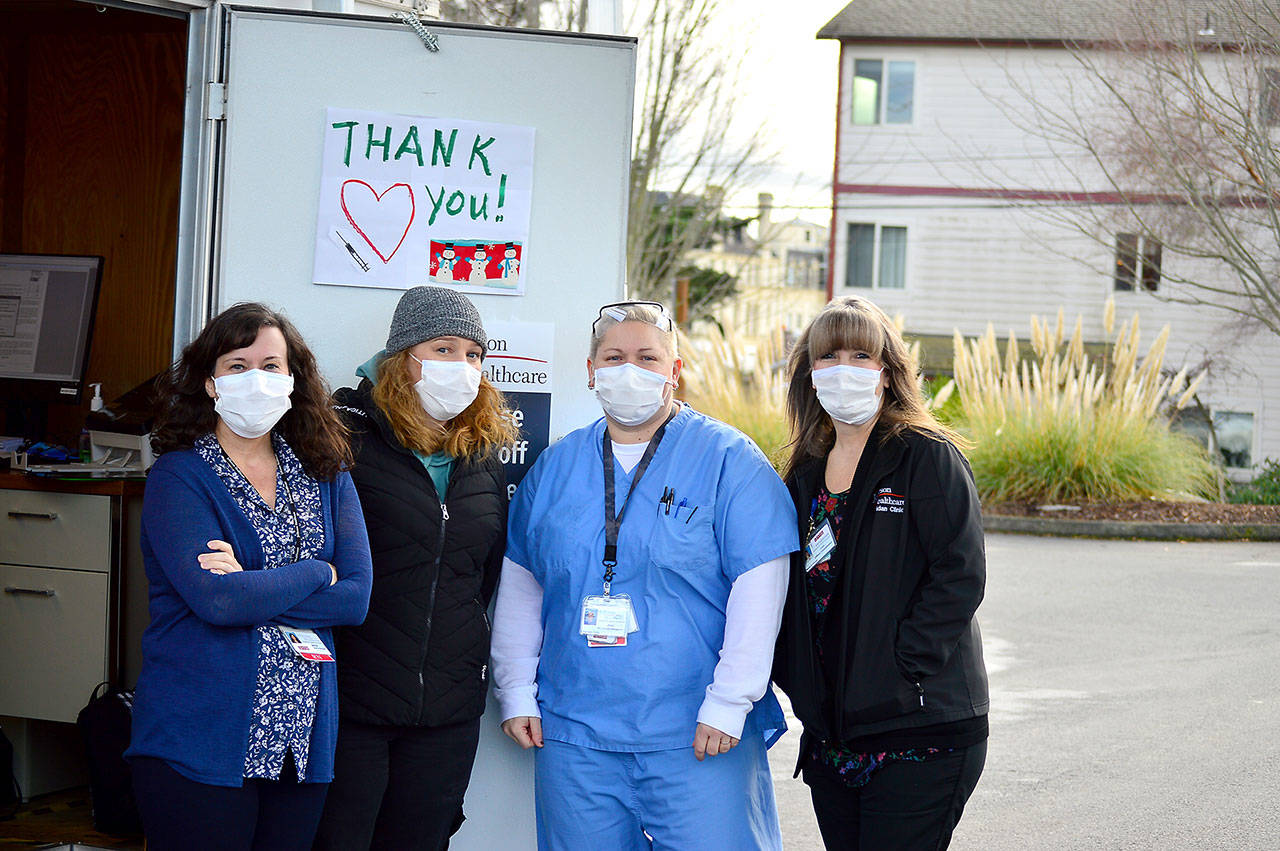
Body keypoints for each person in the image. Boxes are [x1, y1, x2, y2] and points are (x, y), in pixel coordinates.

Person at [491, 301, 799, 851]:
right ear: (590, 371)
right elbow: (522, 584)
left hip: (697, 731)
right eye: (613, 356)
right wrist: (515, 689)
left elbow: (761, 589)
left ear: (674, 370)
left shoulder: (729, 462)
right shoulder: (556, 468)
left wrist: (730, 701)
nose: (628, 369)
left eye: (647, 357)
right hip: (576, 733)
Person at [126, 303, 373, 851]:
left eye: (270, 365)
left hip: (301, 742)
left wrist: (252, 583)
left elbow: (355, 600)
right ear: (211, 384)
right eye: (238, 366)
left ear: (292, 380)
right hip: (198, 742)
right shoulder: (179, 477)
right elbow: (218, 602)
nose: (255, 379)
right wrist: (318, 570)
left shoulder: (326, 473)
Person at [771, 295, 989, 851]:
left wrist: (900, 667)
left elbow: (959, 573)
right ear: (810, 374)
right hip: (834, 736)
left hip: (918, 731)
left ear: (888, 373)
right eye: (829, 357)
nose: (844, 368)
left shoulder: (924, 455)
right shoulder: (803, 471)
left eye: (861, 355)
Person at [314, 286, 516, 850]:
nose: (463, 366)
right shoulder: (343, 437)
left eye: (474, 355)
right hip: (352, 701)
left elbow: (483, 577)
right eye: (445, 349)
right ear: (402, 358)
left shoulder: (482, 458)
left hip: (446, 710)